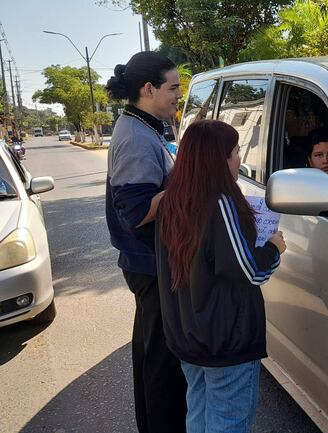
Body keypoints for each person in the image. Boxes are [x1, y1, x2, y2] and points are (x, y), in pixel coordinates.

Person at [156, 119, 286, 433]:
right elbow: (249, 270)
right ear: (220, 159)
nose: (240, 159)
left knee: (199, 413)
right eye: (236, 152)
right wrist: (273, 247)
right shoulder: (221, 203)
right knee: (228, 421)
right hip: (225, 338)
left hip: (187, 332)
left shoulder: (170, 201)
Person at [104, 51, 187, 433]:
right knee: (162, 365)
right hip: (149, 263)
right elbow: (136, 211)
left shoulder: (145, 124)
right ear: (148, 88)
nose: (178, 95)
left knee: (152, 354)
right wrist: (190, 181)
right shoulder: (136, 135)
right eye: (173, 87)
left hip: (148, 260)